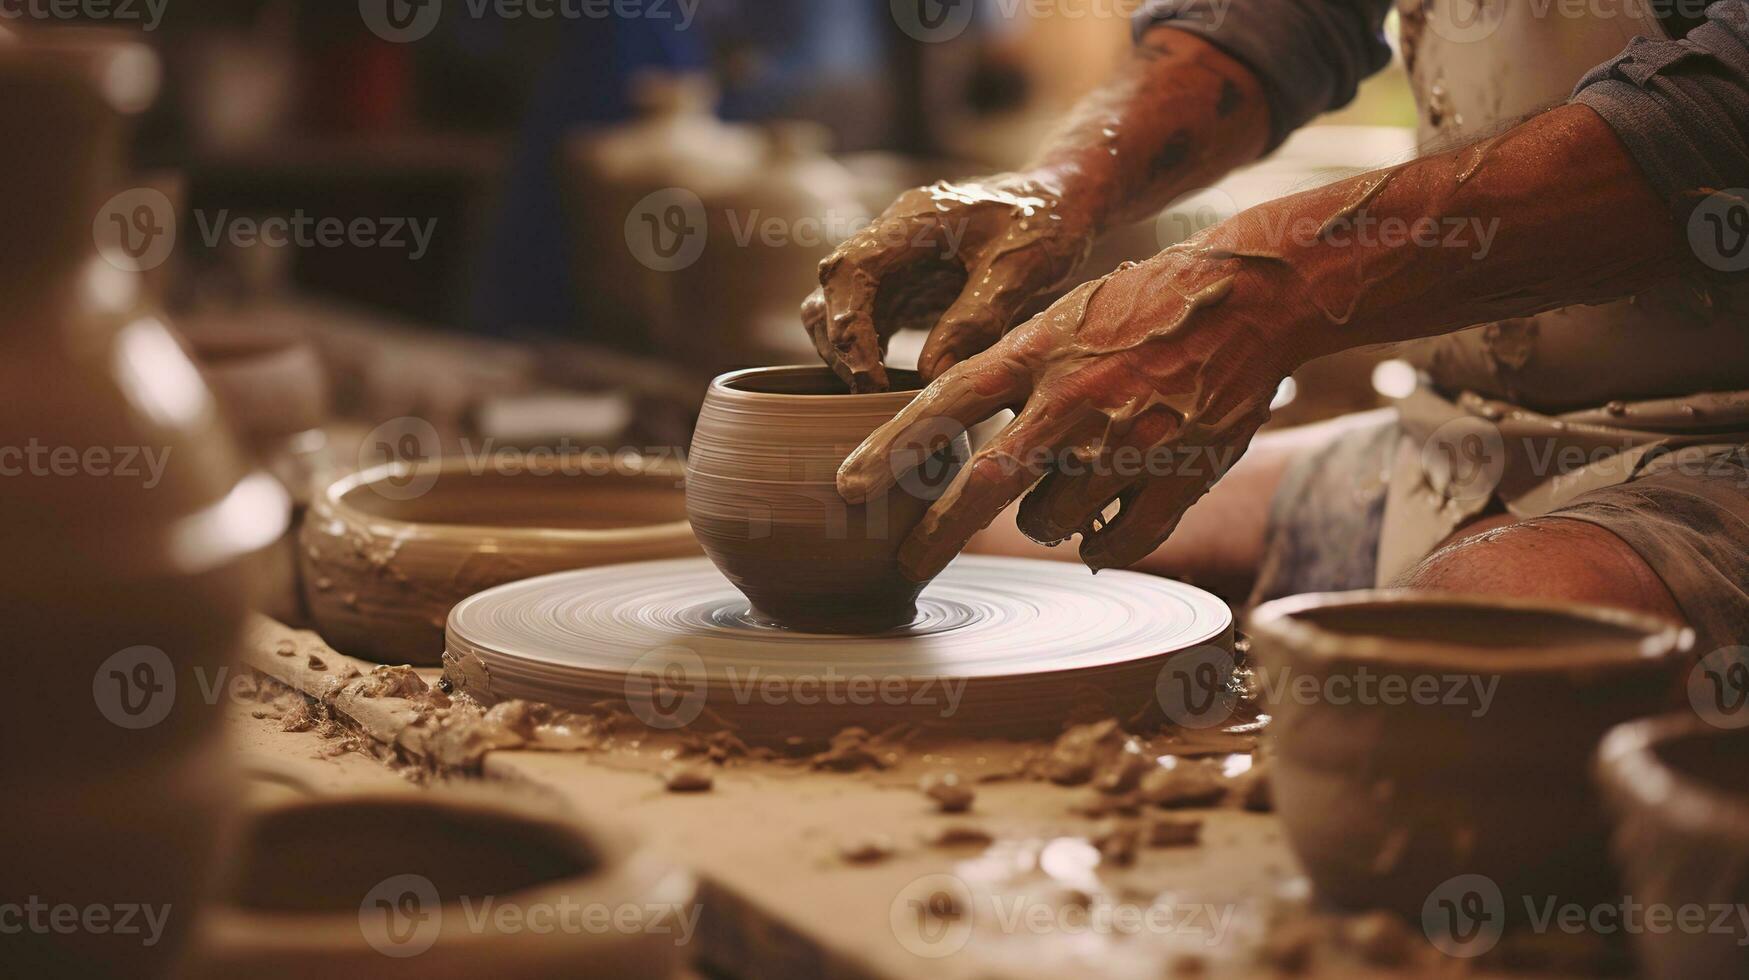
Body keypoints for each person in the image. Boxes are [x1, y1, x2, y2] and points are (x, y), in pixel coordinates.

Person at [805, 1, 1749, 648]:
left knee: (1470, 640)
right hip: (1465, 430)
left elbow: (1719, 121)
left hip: (1724, 437)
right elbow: (1281, 14)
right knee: (967, 528)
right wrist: (1058, 189)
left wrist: (1266, 288)